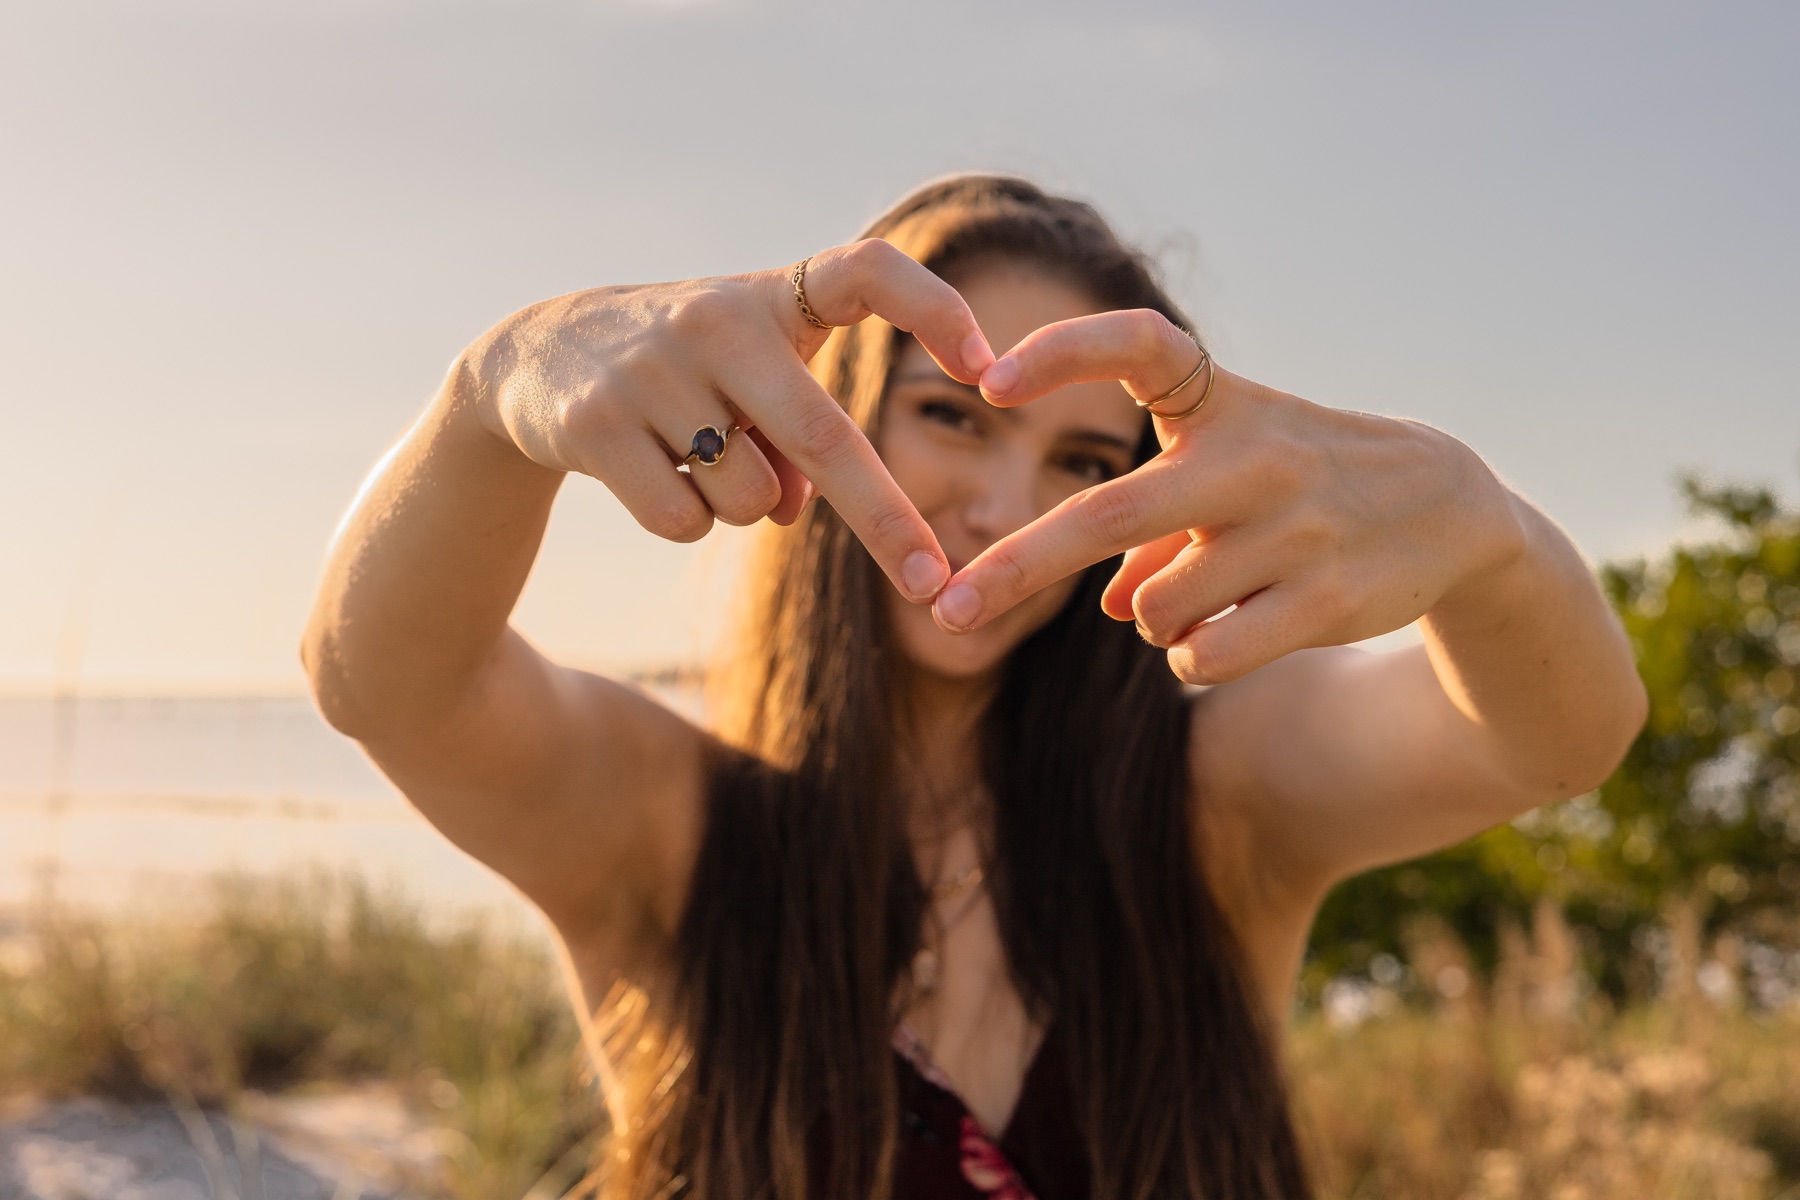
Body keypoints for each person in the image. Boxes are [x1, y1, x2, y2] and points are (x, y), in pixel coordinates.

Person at [302, 175, 1647, 1200]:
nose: (1008, 506)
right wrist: (495, 387)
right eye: (954, 415)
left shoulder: (1213, 800)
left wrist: (1490, 536)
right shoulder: (677, 821)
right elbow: (381, 680)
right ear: (838, 412)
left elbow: (1560, 737)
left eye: (1081, 464)